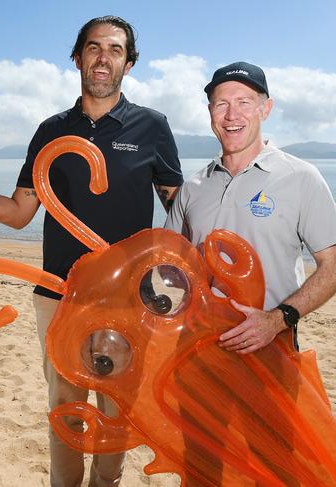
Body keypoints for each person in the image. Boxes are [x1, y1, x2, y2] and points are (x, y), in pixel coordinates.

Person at [0, 16, 183, 487]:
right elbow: (16, 212)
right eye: (93, 47)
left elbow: (179, 209)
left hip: (128, 300)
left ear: (128, 64)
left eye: (114, 49)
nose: (102, 57)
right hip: (59, 296)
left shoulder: (153, 127)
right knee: (66, 409)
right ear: (77, 58)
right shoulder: (51, 129)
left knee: (118, 410)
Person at [165, 61, 336, 485]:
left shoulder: (300, 178)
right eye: (220, 104)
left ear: (266, 108)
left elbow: (332, 265)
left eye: (244, 102)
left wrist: (277, 320)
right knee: (201, 465)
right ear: (209, 113)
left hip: (271, 349)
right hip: (198, 352)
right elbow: (171, 268)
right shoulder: (193, 187)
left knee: (276, 466)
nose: (231, 115)